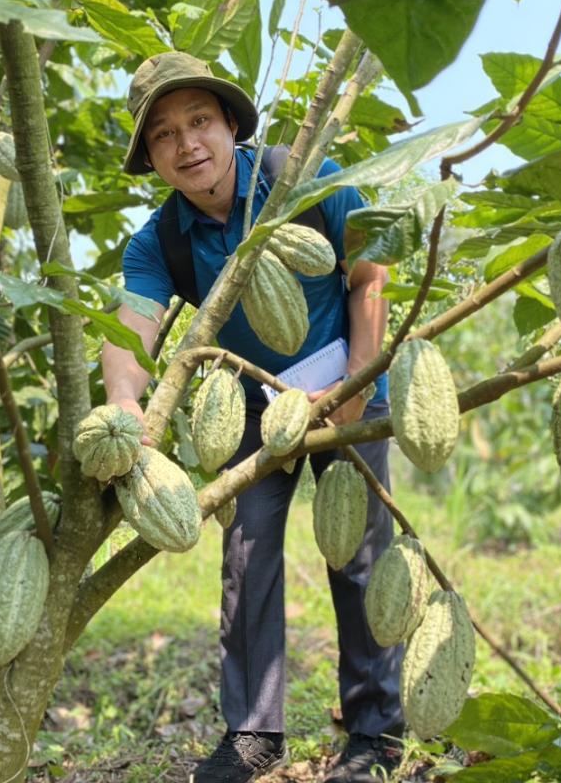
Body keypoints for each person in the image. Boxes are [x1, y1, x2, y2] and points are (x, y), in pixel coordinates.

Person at [101, 51, 404, 783]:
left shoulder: (303, 179)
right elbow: (132, 330)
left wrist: (358, 388)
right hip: (246, 407)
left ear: (230, 123)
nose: (188, 144)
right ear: (152, 157)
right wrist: (123, 408)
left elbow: (368, 275)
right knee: (246, 561)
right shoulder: (160, 241)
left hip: (343, 383)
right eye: (165, 135)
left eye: (199, 120)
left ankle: (375, 735)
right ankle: (253, 735)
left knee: (359, 557)